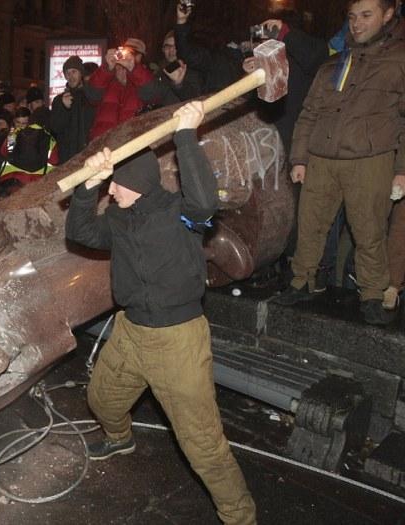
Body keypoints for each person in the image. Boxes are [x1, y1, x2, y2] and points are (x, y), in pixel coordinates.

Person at [65, 101, 256, 524]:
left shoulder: (180, 214)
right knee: (102, 400)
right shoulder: (118, 217)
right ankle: (119, 439)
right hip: (131, 331)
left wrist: (187, 134)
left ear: (138, 184)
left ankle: (239, 516)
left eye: (116, 184)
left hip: (178, 341)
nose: (111, 191)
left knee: (203, 446)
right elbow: (79, 231)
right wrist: (87, 187)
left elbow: (206, 200)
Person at [274, 0, 405, 326]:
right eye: (351, 17)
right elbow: (309, 113)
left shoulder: (399, 59)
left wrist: (402, 169)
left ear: (388, 14)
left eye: (366, 16)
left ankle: (372, 294)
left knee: (369, 230)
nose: (356, 24)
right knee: (310, 225)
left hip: (370, 159)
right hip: (321, 158)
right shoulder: (334, 63)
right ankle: (302, 281)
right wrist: (299, 157)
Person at [88, 38, 154, 140]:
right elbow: (91, 94)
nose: (127, 57)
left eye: (134, 54)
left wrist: (134, 69)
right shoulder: (107, 80)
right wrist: (107, 68)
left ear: (141, 57)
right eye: (125, 52)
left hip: (132, 145)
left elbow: (153, 93)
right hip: (103, 144)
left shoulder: (145, 80)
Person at [50, 55, 97, 164]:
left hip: (90, 156)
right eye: (68, 73)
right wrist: (64, 108)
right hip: (68, 158)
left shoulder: (91, 96)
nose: (71, 76)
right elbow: (55, 128)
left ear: (81, 73)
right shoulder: (59, 100)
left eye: (74, 72)